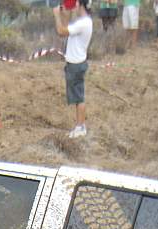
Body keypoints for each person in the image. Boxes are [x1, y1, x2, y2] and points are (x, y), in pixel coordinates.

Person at [53, 0, 94, 138]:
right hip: (76, 63)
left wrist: (56, 15)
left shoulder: (83, 23)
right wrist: (65, 14)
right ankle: (80, 125)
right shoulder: (84, 21)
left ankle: (80, 127)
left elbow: (61, 31)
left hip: (76, 64)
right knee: (77, 97)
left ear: (80, 4)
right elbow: (66, 27)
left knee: (79, 98)